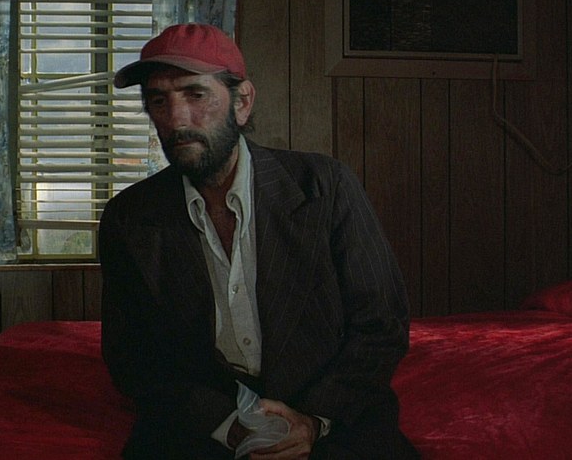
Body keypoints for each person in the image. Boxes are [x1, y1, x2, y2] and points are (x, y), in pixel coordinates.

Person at [99, 23, 419, 459]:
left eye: (195, 94)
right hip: (202, 421)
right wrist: (225, 424)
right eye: (158, 101)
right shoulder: (129, 217)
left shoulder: (325, 186)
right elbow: (131, 355)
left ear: (242, 102)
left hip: (330, 415)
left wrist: (313, 420)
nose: (176, 120)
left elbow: (382, 324)